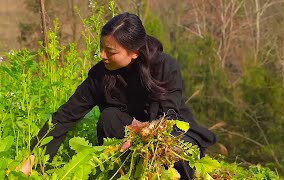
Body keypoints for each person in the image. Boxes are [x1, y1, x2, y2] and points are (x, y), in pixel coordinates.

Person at [21, 12, 216, 179]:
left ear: (134, 53)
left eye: (110, 51)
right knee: (109, 118)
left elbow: (170, 116)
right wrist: (33, 156)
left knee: (179, 158)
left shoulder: (165, 66)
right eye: (101, 48)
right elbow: (65, 116)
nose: (102, 55)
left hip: (170, 132)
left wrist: (142, 135)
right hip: (127, 135)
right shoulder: (101, 75)